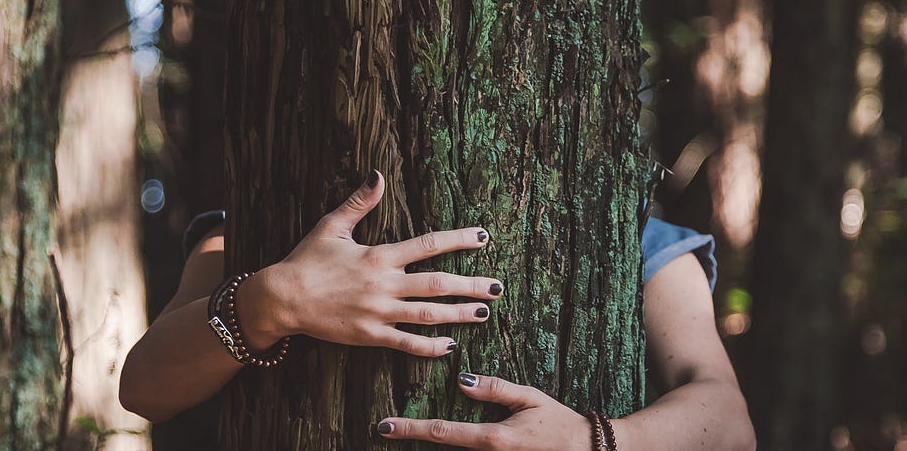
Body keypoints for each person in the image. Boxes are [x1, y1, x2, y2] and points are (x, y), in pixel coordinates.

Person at [121, 171, 755, 450]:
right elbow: (145, 386)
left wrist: (594, 441)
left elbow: (727, 419)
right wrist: (274, 299)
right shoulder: (256, 222)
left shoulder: (634, 238)